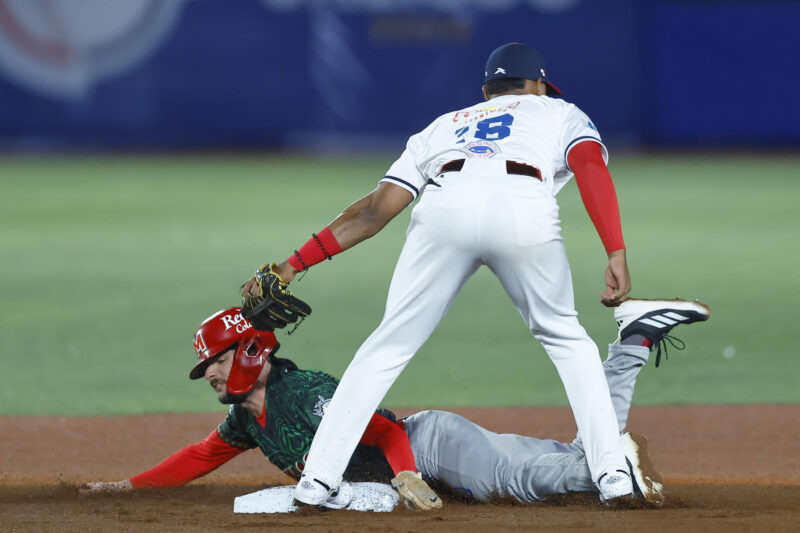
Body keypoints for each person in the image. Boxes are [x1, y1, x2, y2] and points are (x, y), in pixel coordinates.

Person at [243, 42, 636, 506]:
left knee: (387, 345)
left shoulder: (442, 126)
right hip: (521, 206)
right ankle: (612, 473)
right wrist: (615, 250)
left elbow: (372, 212)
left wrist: (294, 263)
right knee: (567, 340)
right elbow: (589, 167)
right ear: (537, 85)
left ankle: (319, 479)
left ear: (486, 90)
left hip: (444, 206)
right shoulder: (559, 112)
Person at [81, 298, 710, 508]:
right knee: (585, 459)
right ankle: (634, 339)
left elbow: (382, 431)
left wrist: (407, 472)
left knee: (556, 478)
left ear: (249, 355)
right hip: (428, 460)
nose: (212, 375)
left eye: (217, 361)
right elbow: (198, 456)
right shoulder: (248, 420)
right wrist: (130, 488)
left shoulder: (304, 393)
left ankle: (634, 340)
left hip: (431, 447)